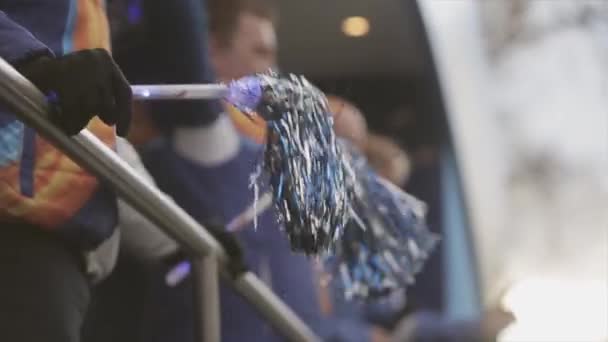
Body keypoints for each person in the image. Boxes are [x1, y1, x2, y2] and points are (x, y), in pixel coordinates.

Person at [0, 3, 132, 342]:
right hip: (17, 241)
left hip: (51, 258)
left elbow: (97, 137)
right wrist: (30, 64)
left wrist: (175, 235)